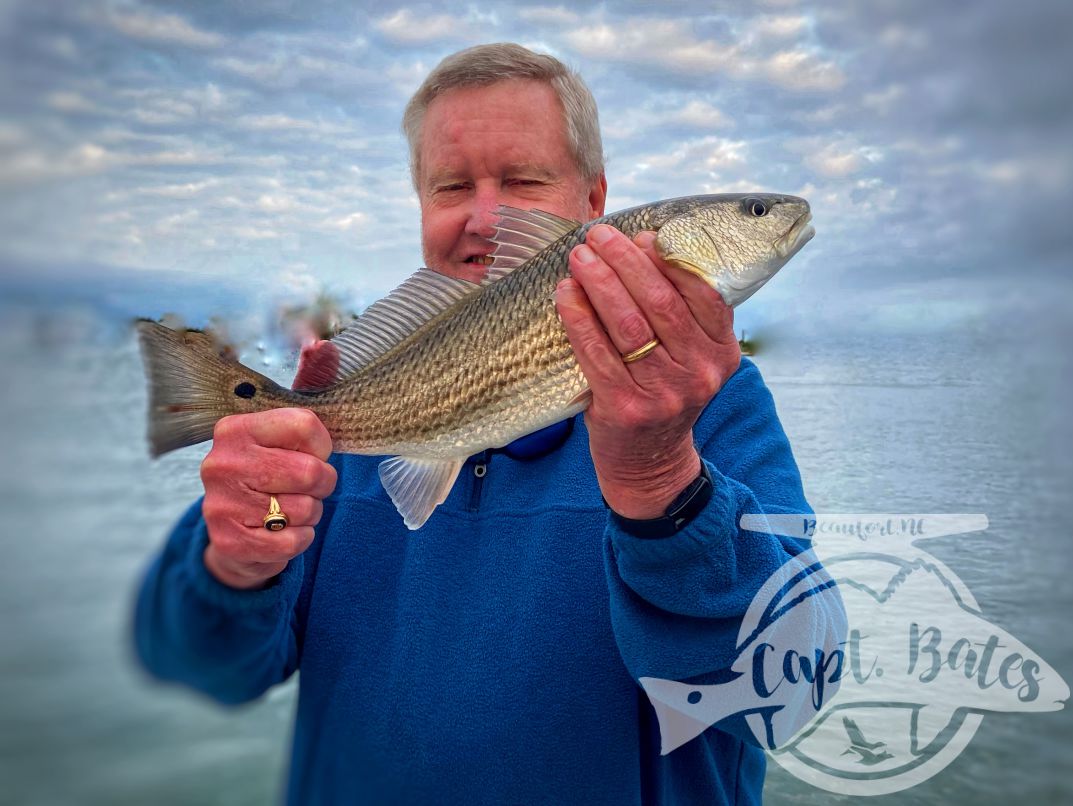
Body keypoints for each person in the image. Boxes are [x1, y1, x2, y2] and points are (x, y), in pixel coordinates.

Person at [135, 43, 836, 804]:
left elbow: (788, 693)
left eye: (526, 181)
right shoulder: (341, 399)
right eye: (451, 186)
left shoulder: (716, 399)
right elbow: (199, 663)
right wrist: (233, 566)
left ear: (595, 198)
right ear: (421, 204)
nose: (487, 216)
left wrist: (663, 480)